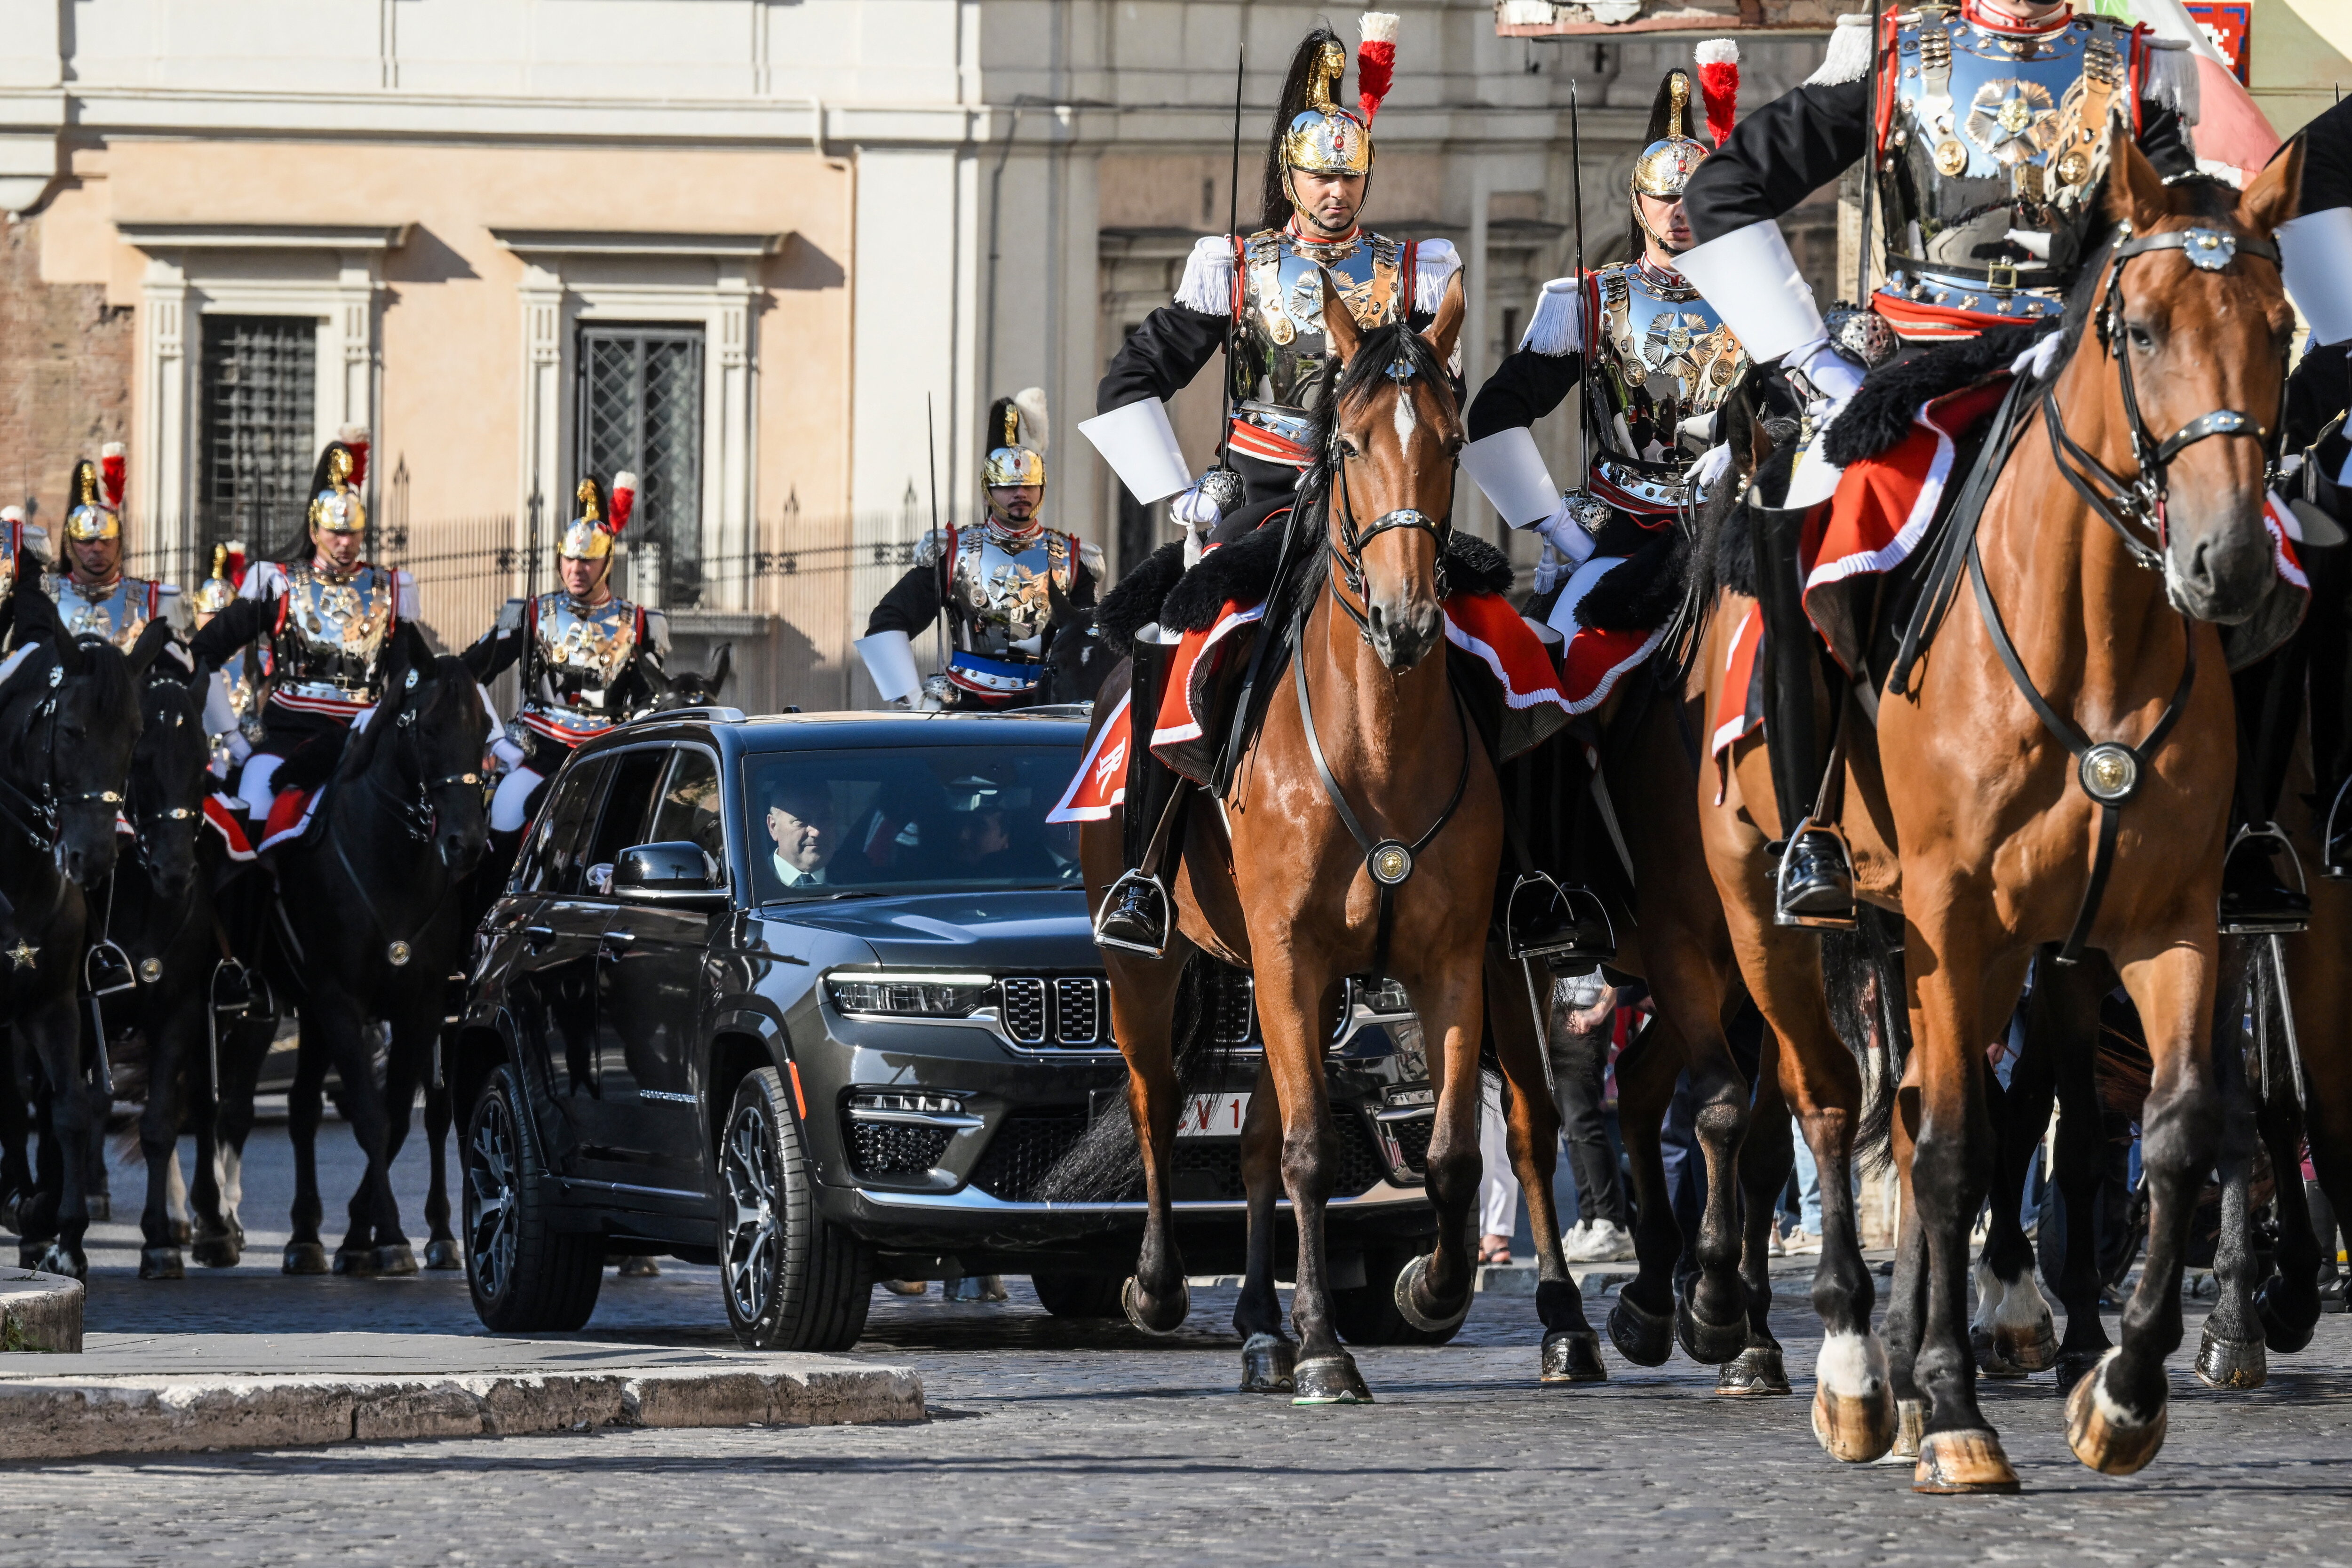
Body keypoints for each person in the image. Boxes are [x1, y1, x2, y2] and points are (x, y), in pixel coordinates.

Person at [1677, 0, 2199, 927]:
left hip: (2075, 368)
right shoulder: (1893, 55)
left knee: (2244, 525)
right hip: (1918, 373)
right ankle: (1810, 827)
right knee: (1798, 523)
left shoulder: (2129, 63)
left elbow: (2173, 224)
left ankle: (2243, 831)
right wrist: (1814, 362)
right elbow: (1723, 191)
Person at [1082, 15, 1464, 955]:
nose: (1334, 193)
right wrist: (1180, 493)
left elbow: (1440, 399)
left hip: (1378, 505)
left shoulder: (1413, 270)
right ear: (1290, 178)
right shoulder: (1242, 268)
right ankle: (1144, 870)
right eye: (1317, 176)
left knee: (1498, 643)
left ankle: (1526, 871)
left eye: (1348, 176)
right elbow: (1132, 381)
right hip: (1262, 495)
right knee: (1177, 641)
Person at [190, 438, 420, 832]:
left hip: (366, 734)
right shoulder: (279, 583)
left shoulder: (391, 588)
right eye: (334, 532)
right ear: (315, 530)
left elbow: (409, 675)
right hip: (290, 734)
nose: (344, 543)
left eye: (352, 533)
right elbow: (204, 650)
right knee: (256, 809)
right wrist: (229, 734)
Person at [858, 390, 1104, 711]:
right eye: (1007, 486)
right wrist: (915, 699)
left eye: (1029, 485)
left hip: (1046, 706)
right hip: (966, 703)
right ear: (988, 494)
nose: (1020, 494)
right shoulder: (954, 552)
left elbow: (1088, 639)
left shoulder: (1072, 557)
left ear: (1042, 489)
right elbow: (888, 620)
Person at [464, 475, 670, 856]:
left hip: (607, 760)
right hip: (539, 755)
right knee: (503, 821)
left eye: (589, 560)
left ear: (606, 562)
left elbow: (652, 701)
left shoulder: (638, 623)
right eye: (571, 559)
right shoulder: (531, 615)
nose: (578, 569)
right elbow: (468, 673)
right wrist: (493, 738)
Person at [43, 446, 188, 649]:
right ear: (69, 547)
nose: (98, 549)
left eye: (106, 540)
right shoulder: (42, 596)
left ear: (119, 543)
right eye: (87, 542)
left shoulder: (159, 600)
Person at [1550, 970, 1635, 1264]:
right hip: (1556, 1011)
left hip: (1584, 1011)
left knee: (1583, 1122)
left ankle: (1613, 1225)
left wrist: (1601, 1009)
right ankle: (1588, 1223)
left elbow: (1616, 959)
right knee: (1571, 1128)